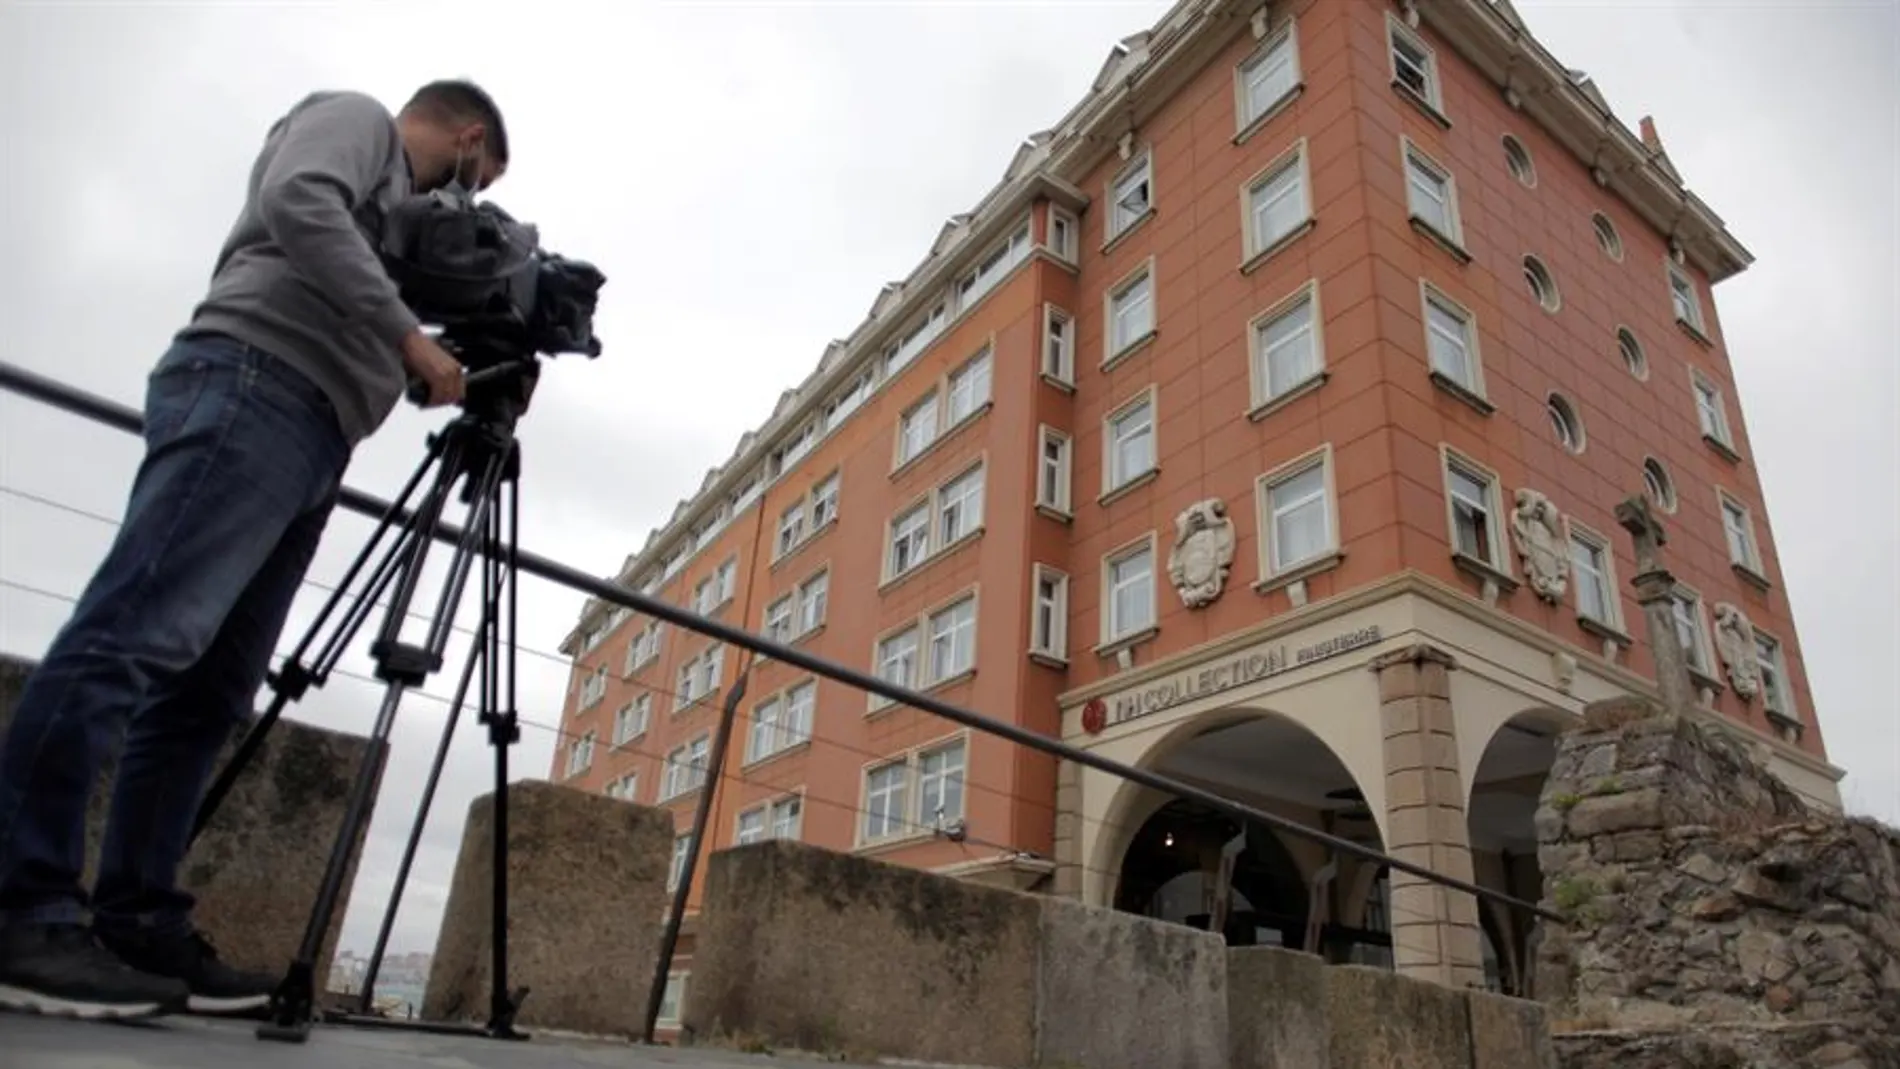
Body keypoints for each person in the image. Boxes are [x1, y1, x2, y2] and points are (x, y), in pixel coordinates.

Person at [0, 79, 509, 1021]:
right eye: (474, 181)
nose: (464, 201)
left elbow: (364, 298)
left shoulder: (392, 227)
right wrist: (408, 335)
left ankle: (138, 925)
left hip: (314, 432)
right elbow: (298, 202)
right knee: (133, 635)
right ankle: (21, 910)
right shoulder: (359, 122)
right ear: (468, 138)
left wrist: (457, 336)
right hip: (253, 383)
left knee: (208, 691)